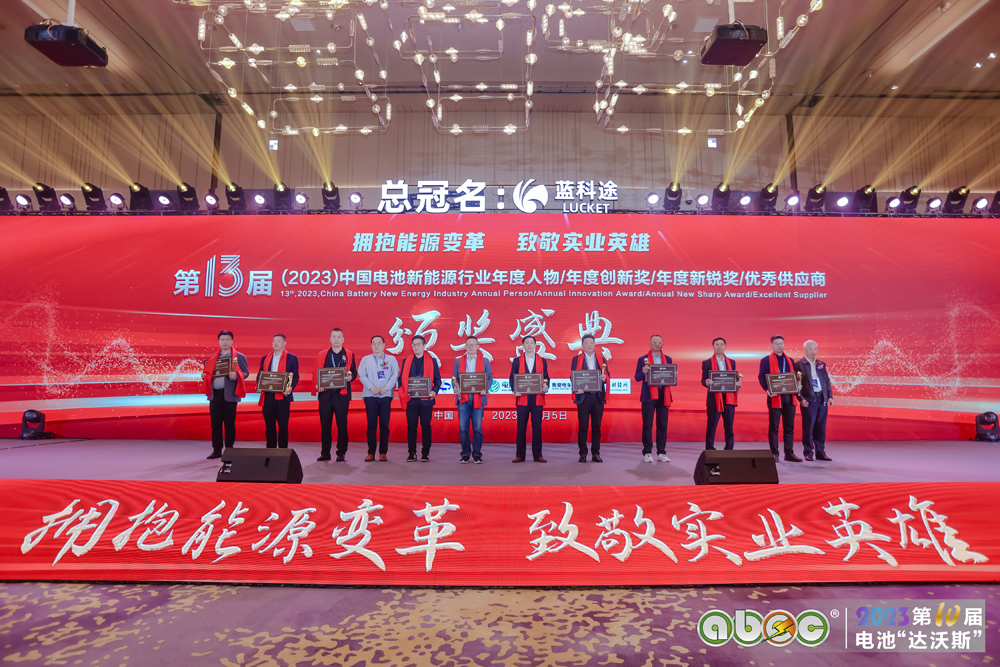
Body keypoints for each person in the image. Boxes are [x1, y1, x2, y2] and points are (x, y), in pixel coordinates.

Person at [201, 330, 249, 460]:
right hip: (215, 395)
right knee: (215, 424)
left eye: (227, 339)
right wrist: (204, 376)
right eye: (222, 339)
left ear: (232, 341)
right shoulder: (213, 357)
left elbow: (245, 372)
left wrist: (236, 375)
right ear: (219, 341)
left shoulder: (239, 356)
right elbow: (208, 373)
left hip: (230, 395)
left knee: (229, 423)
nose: (225, 342)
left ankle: (229, 450)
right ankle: (216, 450)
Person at [313, 328, 356, 462]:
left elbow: (354, 372)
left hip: (341, 396)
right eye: (334, 337)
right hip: (325, 396)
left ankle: (341, 452)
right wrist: (318, 385)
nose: (336, 339)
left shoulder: (349, 354)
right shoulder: (322, 354)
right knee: (325, 425)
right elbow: (316, 372)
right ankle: (325, 453)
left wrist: (351, 377)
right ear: (330, 339)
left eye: (339, 337)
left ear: (343, 339)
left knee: (342, 425)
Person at [757, 334, 802, 462]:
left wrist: (798, 385)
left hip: (789, 397)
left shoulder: (790, 360)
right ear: (771, 345)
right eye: (776, 343)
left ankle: (789, 453)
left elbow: (795, 376)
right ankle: (774, 453)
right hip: (774, 397)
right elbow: (761, 377)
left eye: (781, 343)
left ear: (784, 344)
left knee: (789, 427)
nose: (779, 345)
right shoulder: (766, 360)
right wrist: (767, 390)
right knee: (774, 427)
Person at [397, 335, 442, 462]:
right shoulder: (406, 361)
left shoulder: (432, 361)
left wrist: (434, 391)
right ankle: (412, 452)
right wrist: (403, 392)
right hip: (411, 400)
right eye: (413, 344)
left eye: (418, 344)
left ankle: (425, 453)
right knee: (411, 427)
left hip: (426, 401)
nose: (415, 347)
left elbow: (438, 380)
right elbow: (400, 380)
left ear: (424, 346)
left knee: (426, 427)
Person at [451, 336, 492, 464]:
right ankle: (465, 454)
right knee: (463, 429)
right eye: (468, 345)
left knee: (477, 428)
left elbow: (489, 378)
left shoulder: (485, 361)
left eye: (473, 344)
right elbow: (454, 378)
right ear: (465, 347)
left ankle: (477, 454)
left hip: (478, 398)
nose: (471, 347)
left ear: (478, 346)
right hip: (463, 399)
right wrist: (455, 388)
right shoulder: (458, 361)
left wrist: (485, 388)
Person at [357, 335, 398, 462]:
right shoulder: (365, 359)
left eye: (379, 343)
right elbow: (361, 375)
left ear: (384, 345)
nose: (376, 345)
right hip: (370, 395)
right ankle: (371, 452)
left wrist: (386, 387)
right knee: (371, 425)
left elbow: (395, 375)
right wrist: (371, 387)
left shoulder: (391, 359)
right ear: (371, 345)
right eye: (374, 343)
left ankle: (383, 452)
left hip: (385, 395)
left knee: (384, 425)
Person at [509, 335, 550, 463]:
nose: (529, 345)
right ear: (523, 346)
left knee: (537, 427)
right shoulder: (517, 360)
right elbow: (512, 378)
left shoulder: (542, 360)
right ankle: (520, 455)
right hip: (522, 398)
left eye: (532, 343)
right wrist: (514, 390)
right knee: (521, 427)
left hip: (537, 398)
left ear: (535, 345)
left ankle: (538, 455)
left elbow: (546, 377)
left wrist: (546, 386)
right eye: (527, 343)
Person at [571, 333, 610, 463]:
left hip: (598, 397)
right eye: (586, 343)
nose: (589, 345)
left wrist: (605, 378)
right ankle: (583, 453)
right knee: (583, 427)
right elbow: (573, 377)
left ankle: (596, 453)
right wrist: (577, 387)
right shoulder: (576, 359)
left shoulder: (602, 359)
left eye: (591, 343)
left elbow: (608, 376)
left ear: (594, 344)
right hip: (583, 398)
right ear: (582, 345)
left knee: (596, 427)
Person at [633, 334, 672, 463]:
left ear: (662, 344)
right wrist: (643, 371)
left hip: (663, 395)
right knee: (647, 425)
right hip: (648, 396)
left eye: (659, 342)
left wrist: (674, 375)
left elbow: (669, 376)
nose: (657, 344)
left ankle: (661, 452)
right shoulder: (642, 359)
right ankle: (647, 452)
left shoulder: (668, 359)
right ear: (650, 344)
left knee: (662, 425)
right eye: (654, 342)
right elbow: (637, 377)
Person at [257, 334, 299, 449]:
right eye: (274, 341)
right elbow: (260, 374)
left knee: (283, 426)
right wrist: (259, 385)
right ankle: (270, 451)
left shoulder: (292, 358)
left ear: (284, 343)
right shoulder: (265, 358)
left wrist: (291, 387)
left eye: (278, 341)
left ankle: (283, 452)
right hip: (268, 396)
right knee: (269, 426)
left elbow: (295, 375)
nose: (275, 343)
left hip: (283, 397)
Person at [796, 340, 834, 462]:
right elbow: (796, 384)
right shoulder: (799, 364)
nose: (813, 351)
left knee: (821, 427)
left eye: (815, 349)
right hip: (808, 399)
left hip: (821, 398)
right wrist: (800, 398)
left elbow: (826, 380)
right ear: (805, 350)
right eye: (810, 349)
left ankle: (820, 452)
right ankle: (808, 452)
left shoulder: (821, 364)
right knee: (808, 427)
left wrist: (830, 396)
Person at [701, 337, 740, 450]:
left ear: (725, 346)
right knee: (712, 426)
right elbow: (703, 380)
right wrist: (706, 382)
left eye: (721, 344)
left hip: (729, 398)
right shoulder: (707, 363)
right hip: (714, 399)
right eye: (717, 345)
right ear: (713, 347)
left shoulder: (732, 362)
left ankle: (729, 448)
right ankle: (709, 448)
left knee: (729, 426)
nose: (719, 347)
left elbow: (734, 378)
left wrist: (738, 383)